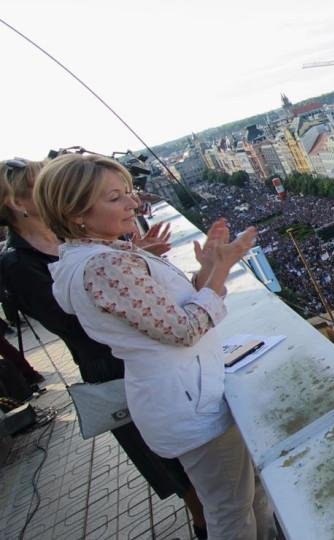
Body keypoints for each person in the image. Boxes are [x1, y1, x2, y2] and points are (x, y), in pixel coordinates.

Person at [32, 154, 269, 540]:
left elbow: (169, 309)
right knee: (229, 511)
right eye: (115, 198)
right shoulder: (105, 265)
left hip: (181, 394)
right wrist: (223, 270)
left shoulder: (89, 258)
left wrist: (208, 268)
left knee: (240, 496)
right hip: (190, 403)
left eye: (128, 193)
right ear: (74, 212)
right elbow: (183, 329)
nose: (133, 204)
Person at [0, 157, 211, 536]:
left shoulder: (70, 243)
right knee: (186, 477)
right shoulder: (18, 261)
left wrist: (138, 265)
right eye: (41, 184)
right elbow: (77, 319)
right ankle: (204, 527)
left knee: (199, 474)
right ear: (19, 203)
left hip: (141, 355)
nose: (51, 188)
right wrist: (130, 284)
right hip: (113, 365)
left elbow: (111, 296)